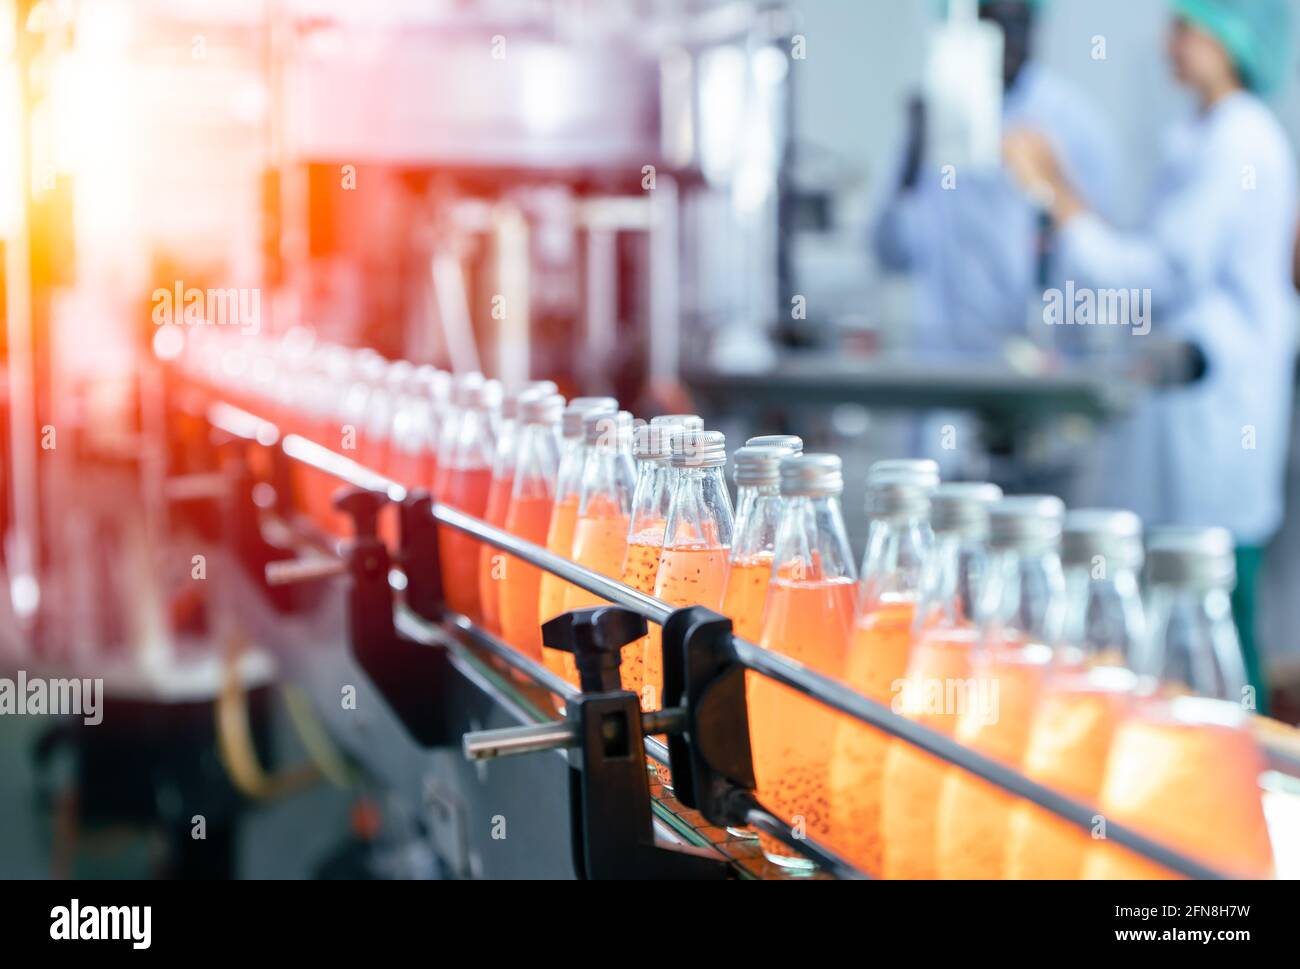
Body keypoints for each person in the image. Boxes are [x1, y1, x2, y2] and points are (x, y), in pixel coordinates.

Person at [1004, 0, 1297, 711]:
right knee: (1184, 625)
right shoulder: (1198, 135)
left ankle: (1246, 788)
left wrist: (1059, 192)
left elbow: (1162, 272)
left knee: (1220, 623)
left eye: (1187, 25)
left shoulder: (1240, 142)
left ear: (1230, 38)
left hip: (1216, 412)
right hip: (1188, 416)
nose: (1170, 41)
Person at [872, 0, 1118, 360]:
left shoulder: (1071, 124)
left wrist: (1052, 192)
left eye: (1020, 22)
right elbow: (889, 253)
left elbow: (1103, 270)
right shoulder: (938, 114)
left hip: (1039, 367)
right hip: (943, 371)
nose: (1009, 39)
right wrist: (910, 167)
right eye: (995, 23)